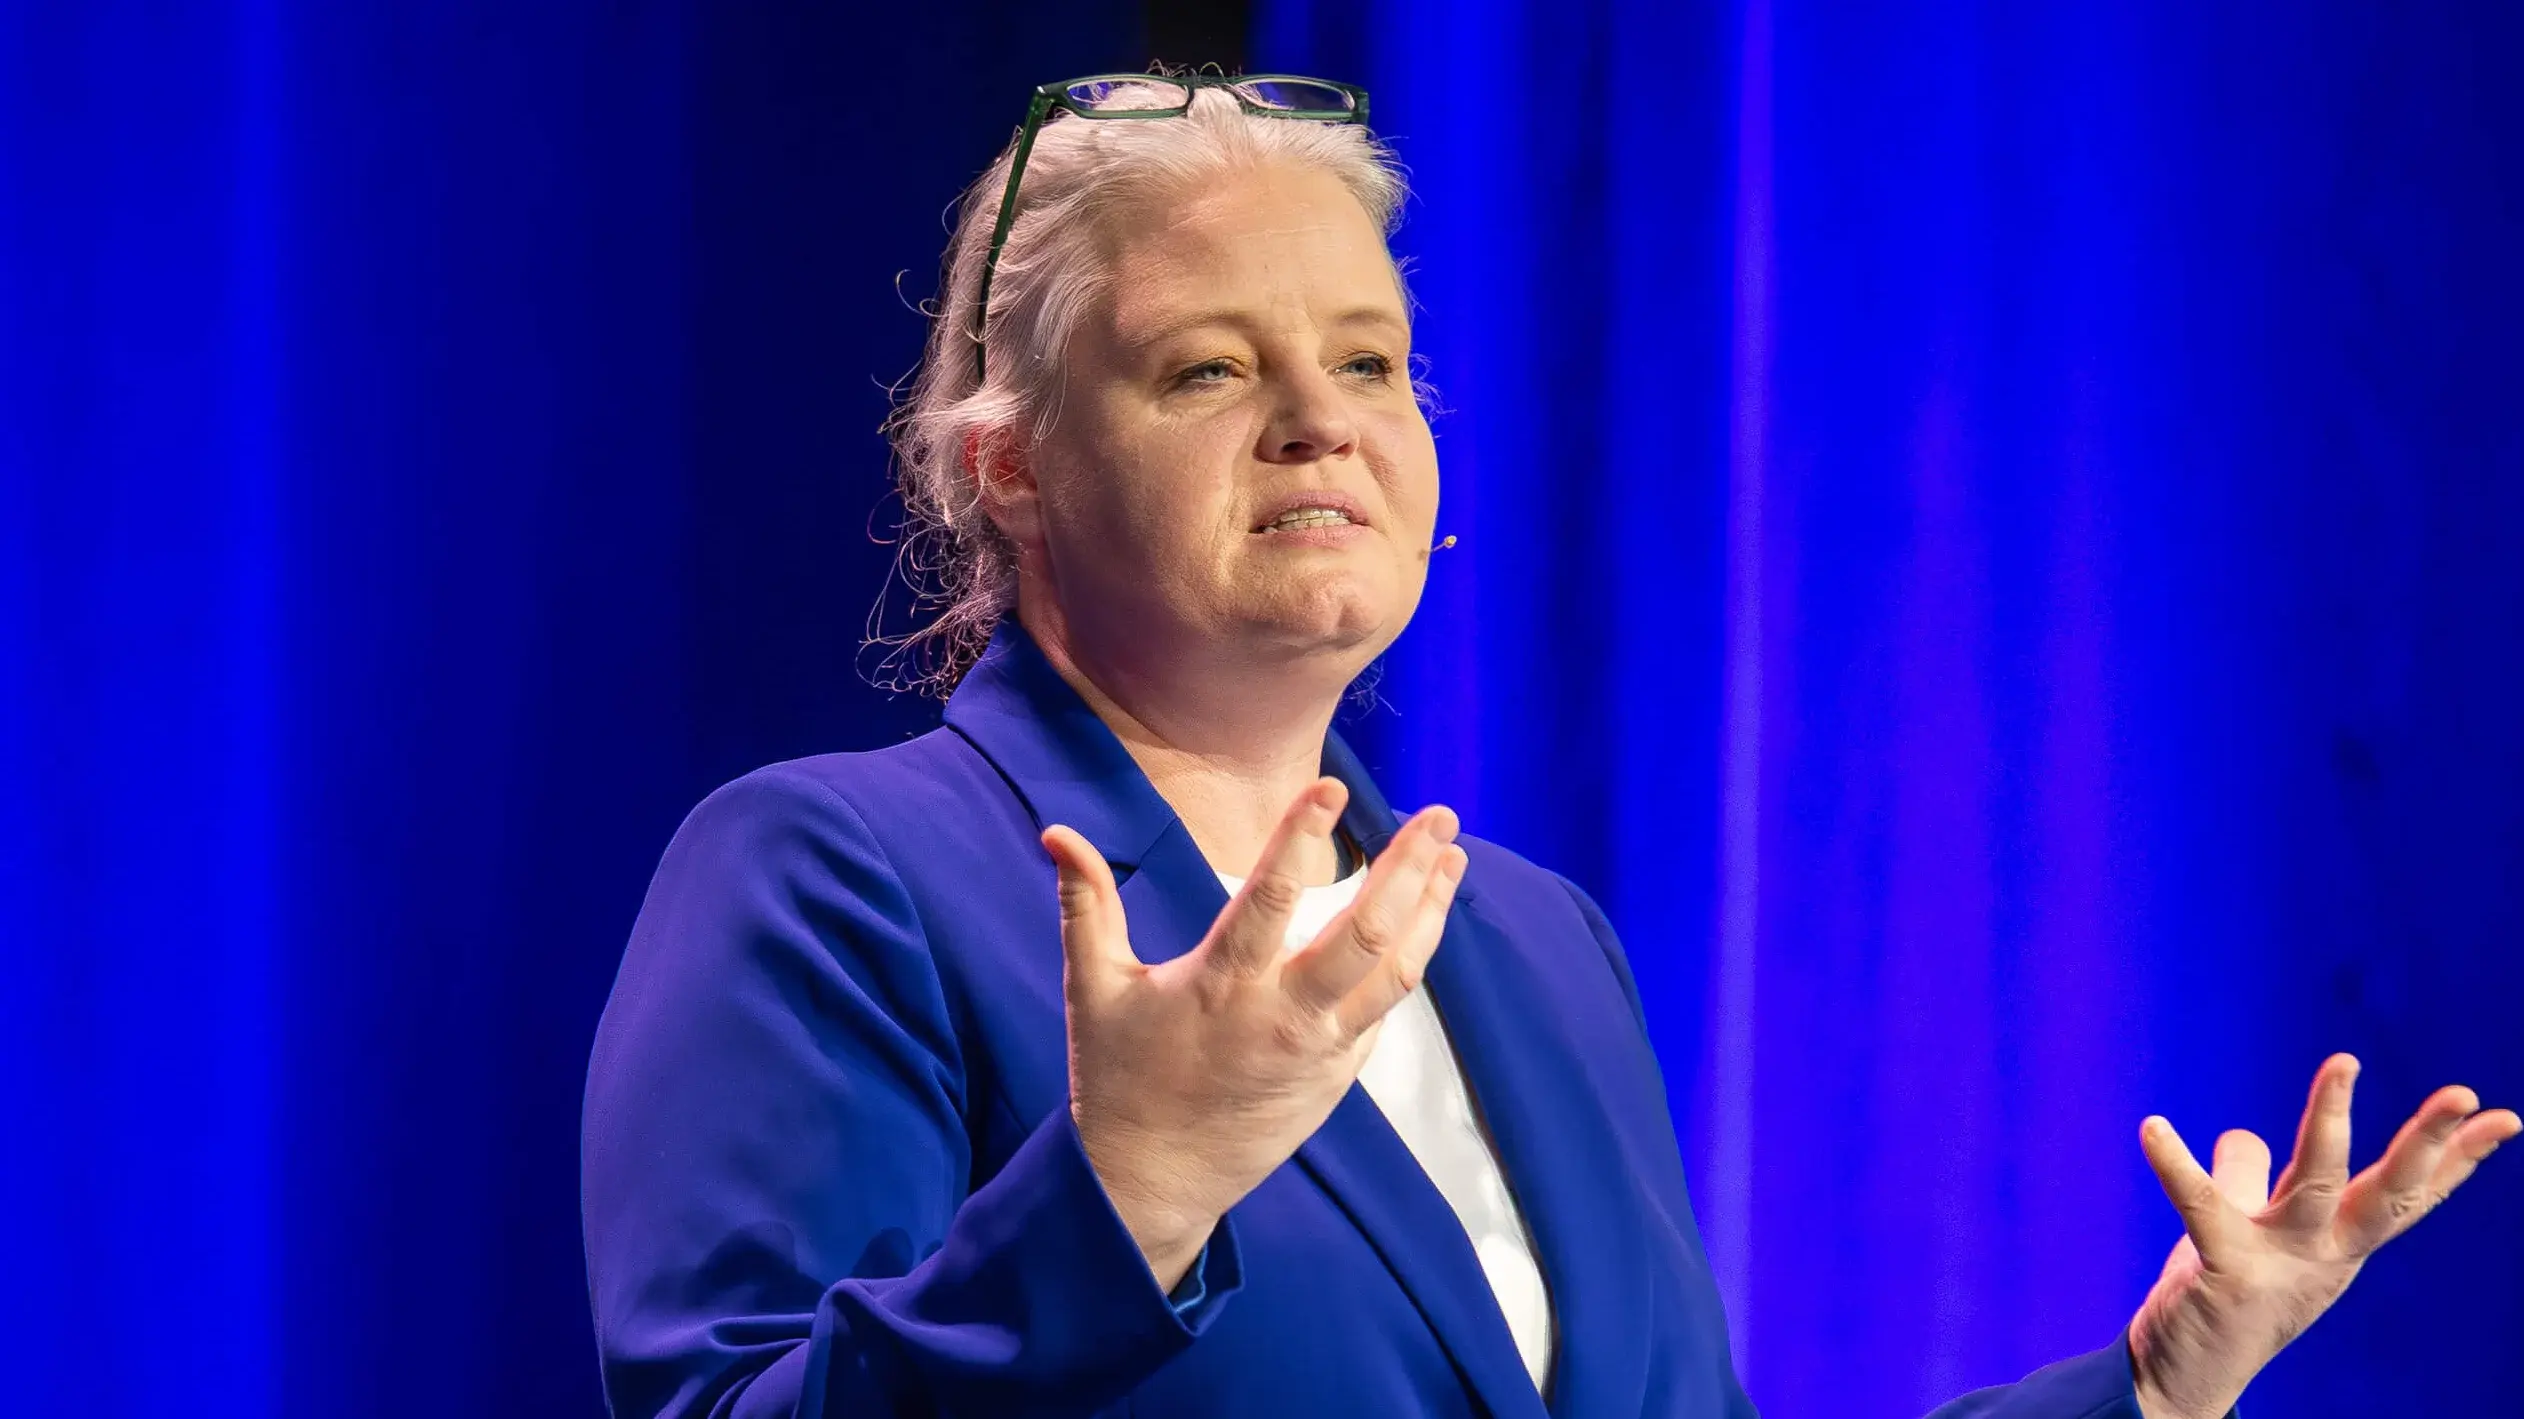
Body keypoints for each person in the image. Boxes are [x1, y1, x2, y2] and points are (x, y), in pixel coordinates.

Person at [579, 73, 2516, 1419]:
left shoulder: (1529, 945)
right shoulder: (835, 881)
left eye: (1364, 359)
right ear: (1004, 465)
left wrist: (2151, 1381)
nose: (1317, 421)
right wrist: (1123, 1191)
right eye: (1201, 368)